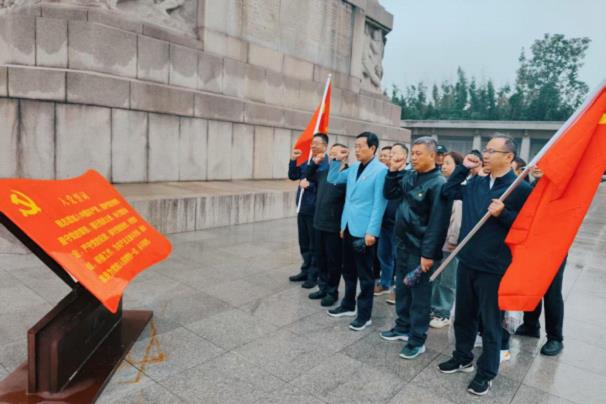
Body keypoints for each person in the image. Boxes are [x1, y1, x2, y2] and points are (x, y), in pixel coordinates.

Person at [438, 134, 532, 396]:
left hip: (494, 267)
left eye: (492, 151)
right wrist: (462, 168)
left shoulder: (519, 189)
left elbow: (526, 229)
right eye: (485, 150)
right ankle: (462, 357)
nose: (485, 155)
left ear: (509, 157)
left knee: (490, 323)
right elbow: (448, 191)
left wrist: (504, 214)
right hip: (467, 260)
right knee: (464, 316)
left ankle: (487, 372)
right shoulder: (476, 182)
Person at [379, 137, 452, 360]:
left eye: (419, 154)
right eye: (413, 153)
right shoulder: (410, 175)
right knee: (402, 289)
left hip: (420, 251)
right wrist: (392, 171)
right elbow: (390, 193)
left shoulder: (438, 184)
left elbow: (438, 223)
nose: (414, 157)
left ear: (432, 156)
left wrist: (428, 254)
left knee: (419, 297)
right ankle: (402, 327)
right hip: (402, 244)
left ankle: (417, 340)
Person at [326, 132, 388, 332]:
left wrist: (372, 232)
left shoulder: (381, 170)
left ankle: (364, 315)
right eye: (356, 146)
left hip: (365, 231)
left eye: (361, 146)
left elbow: (379, 203)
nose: (357, 150)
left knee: (366, 276)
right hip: (348, 226)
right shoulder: (353, 168)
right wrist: (337, 160)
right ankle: (348, 304)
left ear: (373, 148)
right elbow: (333, 178)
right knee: (348, 270)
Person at [515, 166, 565, 356]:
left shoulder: (560, 188)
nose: (538, 166)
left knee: (552, 292)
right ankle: (530, 325)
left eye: (544, 164)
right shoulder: (531, 186)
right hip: (532, 245)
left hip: (554, 246)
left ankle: (555, 337)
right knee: (531, 286)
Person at [305, 141, 349, 307]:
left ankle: (332, 291)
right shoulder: (324, 172)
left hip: (333, 226)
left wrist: (343, 226)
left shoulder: (347, 175)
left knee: (333, 261)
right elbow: (309, 176)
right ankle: (322, 287)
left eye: (336, 153)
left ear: (344, 155)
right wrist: (314, 163)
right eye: (331, 154)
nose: (333, 156)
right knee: (320, 258)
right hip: (318, 223)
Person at [288, 135, 329, 288]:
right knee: (304, 243)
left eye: (317, 143)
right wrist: (293, 160)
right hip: (302, 208)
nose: (314, 145)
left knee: (314, 245)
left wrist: (309, 186)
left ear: (325, 146)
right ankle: (305, 270)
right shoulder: (308, 161)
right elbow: (293, 176)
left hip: (314, 210)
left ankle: (313, 275)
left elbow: (323, 187)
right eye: (313, 143)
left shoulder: (325, 165)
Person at [430, 151, 463, 329]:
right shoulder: (444, 184)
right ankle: (435, 307)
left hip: (450, 243)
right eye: (443, 163)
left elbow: (457, 220)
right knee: (436, 276)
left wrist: (453, 240)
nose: (443, 166)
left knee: (447, 280)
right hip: (439, 240)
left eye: (448, 163)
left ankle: (443, 312)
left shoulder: (459, 188)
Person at [375, 143, 409, 298]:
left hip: (399, 225)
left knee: (399, 258)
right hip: (385, 222)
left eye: (395, 153)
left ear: (405, 156)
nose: (391, 156)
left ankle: (399, 288)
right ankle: (385, 283)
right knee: (384, 255)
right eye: (390, 154)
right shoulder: (388, 174)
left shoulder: (409, 175)